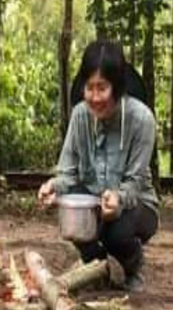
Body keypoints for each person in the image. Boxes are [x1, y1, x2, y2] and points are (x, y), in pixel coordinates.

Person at [37, 40, 159, 293]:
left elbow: (135, 184)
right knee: (71, 219)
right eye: (88, 88)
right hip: (93, 204)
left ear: (117, 87)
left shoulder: (142, 119)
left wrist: (117, 199)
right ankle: (98, 269)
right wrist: (53, 187)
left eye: (101, 88)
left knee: (117, 232)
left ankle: (132, 265)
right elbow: (68, 174)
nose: (94, 97)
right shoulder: (80, 115)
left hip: (137, 206)